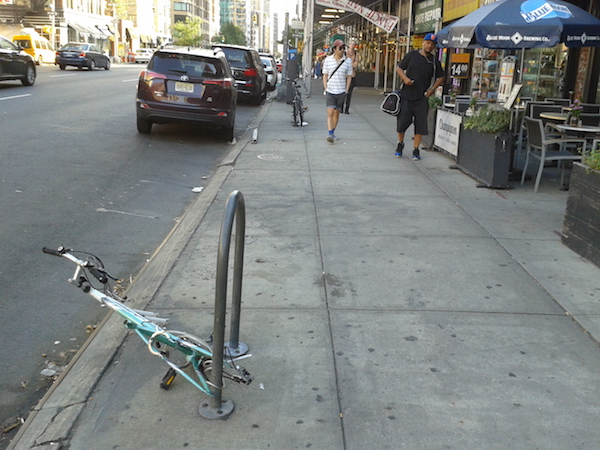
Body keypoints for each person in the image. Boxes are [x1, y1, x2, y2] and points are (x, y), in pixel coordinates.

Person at [395, 33, 445, 160]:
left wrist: (432, 89)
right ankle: (400, 144)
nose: (430, 46)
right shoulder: (412, 55)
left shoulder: (434, 61)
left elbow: (441, 76)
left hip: (422, 97)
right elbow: (399, 68)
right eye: (428, 43)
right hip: (407, 95)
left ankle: (416, 150)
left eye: (432, 45)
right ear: (423, 43)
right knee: (402, 123)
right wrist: (405, 79)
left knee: (420, 124)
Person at [322, 39, 353, 143]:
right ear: (334, 49)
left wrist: (346, 90)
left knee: (336, 113)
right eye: (340, 48)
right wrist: (325, 88)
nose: (342, 50)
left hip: (341, 91)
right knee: (330, 112)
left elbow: (349, 76)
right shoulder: (328, 60)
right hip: (330, 90)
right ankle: (330, 133)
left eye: (343, 48)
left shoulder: (347, 61)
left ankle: (333, 132)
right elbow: (325, 75)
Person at [342, 41, 359, 114]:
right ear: (349, 45)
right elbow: (343, 64)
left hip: (352, 75)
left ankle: (346, 109)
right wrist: (351, 64)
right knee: (342, 92)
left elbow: (356, 65)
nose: (352, 46)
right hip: (344, 76)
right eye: (351, 44)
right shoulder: (344, 53)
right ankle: (341, 107)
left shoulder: (356, 54)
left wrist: (349, 65)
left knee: (349, 93)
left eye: (353, 44)